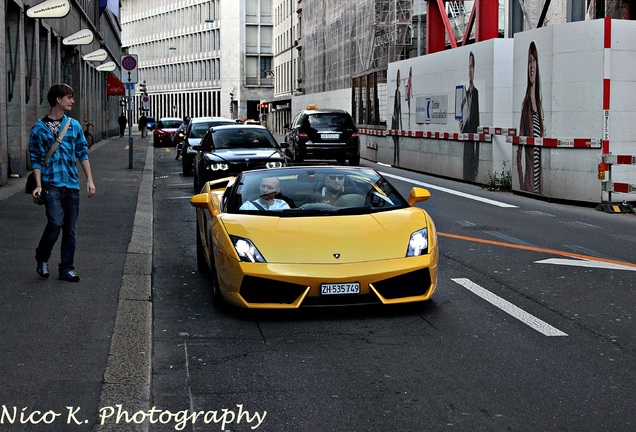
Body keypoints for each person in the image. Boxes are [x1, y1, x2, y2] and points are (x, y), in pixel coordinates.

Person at [28, 83, 96, 282]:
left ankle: (66, 268)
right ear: (58, 99)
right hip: (50, 184)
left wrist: (89, 181)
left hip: (71, 184)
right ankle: (42, 256)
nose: (72, 101)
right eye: (69, 97)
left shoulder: (73, 125)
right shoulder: (39, 129)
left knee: (70, 229)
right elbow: (36, 159)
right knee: (56, 222)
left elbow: (82, 153)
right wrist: (38, 184)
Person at [518, 41, 544, 194]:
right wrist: (522, 183)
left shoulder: (539, 105)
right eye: (529, 62)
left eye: (534, 61)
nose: (532, 66)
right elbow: (519, 151)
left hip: (539, 183)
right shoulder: (526, 105)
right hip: (529, 183)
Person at [459, 51, 480, 182]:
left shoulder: (476, 93)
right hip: (466, 140)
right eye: (469, 67)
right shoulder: (465, 94)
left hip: (473, 141)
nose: (470, 70)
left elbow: (477, 122)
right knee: (466, 172)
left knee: (472, 173)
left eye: (472, 66)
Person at [391, 69, 402, 166]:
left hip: (397, 122)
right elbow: (396, 108)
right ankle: (395, 159)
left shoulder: (399, 93)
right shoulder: (396, 92)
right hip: (395, 122)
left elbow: (399, 109)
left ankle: (396, 160)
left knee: (397, 143)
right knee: (396, 143)